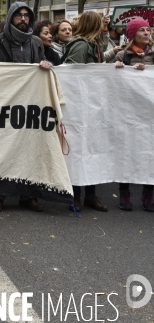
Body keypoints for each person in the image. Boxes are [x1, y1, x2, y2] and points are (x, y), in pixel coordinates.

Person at [0, 2, 52, 213]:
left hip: (29, 103)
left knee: (29, 150)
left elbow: (43, 67)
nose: (23, 19)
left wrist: (44, 66)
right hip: (4, 103)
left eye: (26, 16)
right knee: (2, 150)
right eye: (19, 16)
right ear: (11, 17)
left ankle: (28, 195)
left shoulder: (36, 42)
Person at [64, 11, 108, 213]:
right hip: (80, 106)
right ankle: (76, 195)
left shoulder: (93, 44)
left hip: (91, 104)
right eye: (100, 24)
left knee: (92, 149)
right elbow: (72, 73)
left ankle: (90, 194)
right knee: (79, 150)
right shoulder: (81, 45)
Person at [114, 18, 154, 212]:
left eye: (148, 30)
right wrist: (119, 69)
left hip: (149, 114)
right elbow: (107, 81)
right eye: (142, 30)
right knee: (127, 151)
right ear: (132, 35)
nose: (147, 33)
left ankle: (148, 193)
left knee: (150, 152)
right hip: (128, 113)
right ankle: (125, 192)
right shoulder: (123, 55)